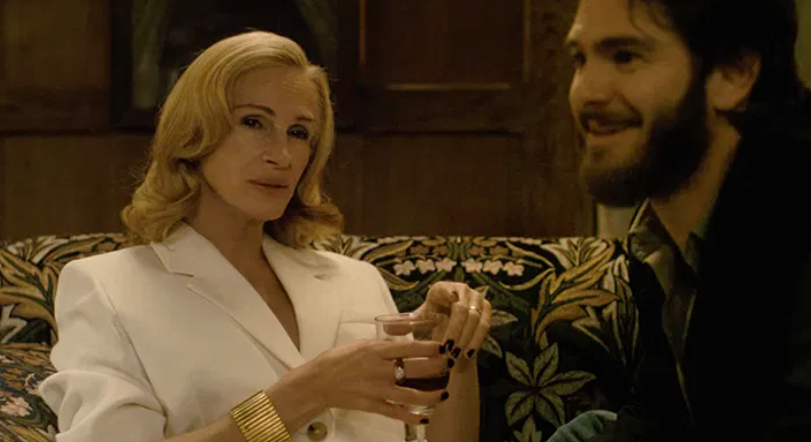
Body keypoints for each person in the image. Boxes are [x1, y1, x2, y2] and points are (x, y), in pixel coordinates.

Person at [39, 31, 491, 442]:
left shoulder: (358, 281)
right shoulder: (107, 288)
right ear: (195, 133)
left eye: (299, 133)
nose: (282, 155)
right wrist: (307, 392)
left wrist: (453, 349)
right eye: (254, 122)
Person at [551, 0, 811, 440]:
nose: (585, 92)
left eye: (625, 56)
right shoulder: (660, 237)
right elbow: (664, 416)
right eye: (580, 59)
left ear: (733, 72)